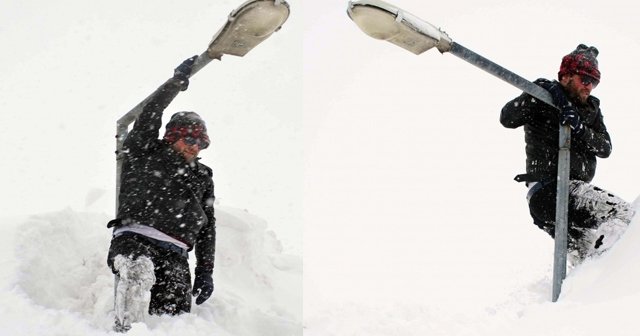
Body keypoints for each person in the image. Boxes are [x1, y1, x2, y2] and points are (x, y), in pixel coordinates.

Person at [107, 56, 216, 331]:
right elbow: (149, 114)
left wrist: (204, 271)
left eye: (201, 142)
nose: (195, 147)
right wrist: (175, 83)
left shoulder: (203, 176)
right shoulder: (146, 152)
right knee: (136, 287)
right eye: (189, 139)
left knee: (173, 324)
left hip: (176, 254)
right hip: (136, 238)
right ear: (172, 137)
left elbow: (208, 227)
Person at [500, 44, 634, 265]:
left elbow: (605, 148)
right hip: (551, 189)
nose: (589, 87)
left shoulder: (590, 110)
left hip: (569, 196)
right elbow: (507, 118)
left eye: (595, 82)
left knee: (589, 262)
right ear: (567, 76)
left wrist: (580, 128)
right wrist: (534, 91)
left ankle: (584, 291)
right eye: (585, 80)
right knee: (623, 214)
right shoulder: (544, 97)